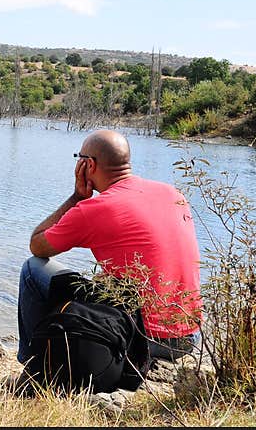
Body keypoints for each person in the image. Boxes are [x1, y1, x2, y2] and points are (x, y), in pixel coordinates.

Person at [18, 129, 202, 365]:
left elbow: (37, 245)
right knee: (102, 281)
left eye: (79, 158)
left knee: (33, 270)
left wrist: (76, 197)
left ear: (89, 165)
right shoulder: (173, 193)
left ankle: (34, 364)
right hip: (189, 338)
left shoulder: (96, 209)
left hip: (142, 340)